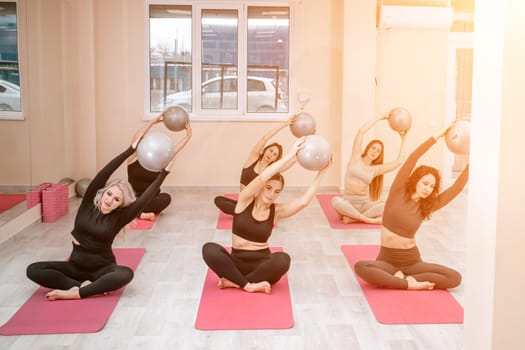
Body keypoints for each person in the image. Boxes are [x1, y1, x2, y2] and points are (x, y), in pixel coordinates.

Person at [25, 119, 192, 300]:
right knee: (34, 270)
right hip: (74, 268)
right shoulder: (87, 204)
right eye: (109, 194)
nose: (110, 200)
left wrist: (164, 174)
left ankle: (77, 293)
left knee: (125, 274)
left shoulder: (120, 217)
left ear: (120, 204)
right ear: (103, 193)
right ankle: (81, 287)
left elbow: (144, 199)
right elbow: (105, 172)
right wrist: (129, 150)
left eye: (117, 199)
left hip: (102, 270)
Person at [203, 137, 330, 294]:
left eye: (277, 191)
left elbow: (303, 201)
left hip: (262, 264)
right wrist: (290, 156)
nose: (272, 194)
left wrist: (322, 172)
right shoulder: (244, 201)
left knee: (283, 259)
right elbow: (262, 177)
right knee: (209, 249)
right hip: (235, 261)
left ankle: (236, 281)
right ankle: (248, 285)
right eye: (268, 188)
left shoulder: (276, 211)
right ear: (261, 187)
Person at [354, 123, 469, 290]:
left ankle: (403, 278)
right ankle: (408, 284)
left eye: (431, 187)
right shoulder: (398, 191)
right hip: (386, 260)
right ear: (416, 180)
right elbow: (412, 158)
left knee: (454, 278)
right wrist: (436, 136)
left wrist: (475, 159)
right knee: (361, 267)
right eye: (425, 184)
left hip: (411, 261)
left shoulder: (427, 205)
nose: (428, 189)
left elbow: (457, 188)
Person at [332, 115, 407, 224]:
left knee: (385, 204)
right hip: (348, 203)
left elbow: (398, 162)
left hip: (364, 205)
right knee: (335, 201)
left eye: (378, 151)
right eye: (373, 148)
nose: (374, 152)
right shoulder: (355, 157)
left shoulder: (375, 169)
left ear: (379, 155)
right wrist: (381, 117)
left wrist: (404, 139)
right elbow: (361, 132)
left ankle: (354, 218)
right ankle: (366, 219)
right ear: (368, 148)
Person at [214, 115, 297, 215]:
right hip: (244, 201)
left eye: (275, 154)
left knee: (239, 209)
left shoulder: (270, 170)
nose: (271, 155)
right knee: (219, 200)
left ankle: (251, 212)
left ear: (275, 159)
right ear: (265, 149)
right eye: (271, 150)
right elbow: (264, 138)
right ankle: (244, 211)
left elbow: (289, 163)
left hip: (256, 203)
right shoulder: (252, 159)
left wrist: (304, 149)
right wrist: (284, 124)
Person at [127, 114, 192, 220]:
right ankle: (139, 213)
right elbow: (136, 137)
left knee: (166, 198)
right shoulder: (132, 158)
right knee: (122, 199)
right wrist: (153, 121)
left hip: (150, 199)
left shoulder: (161, 160)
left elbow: (176, 149)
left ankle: (136, 212)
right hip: (133, 198)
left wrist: (188, 136)